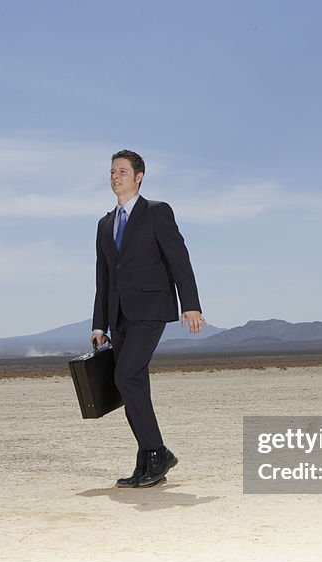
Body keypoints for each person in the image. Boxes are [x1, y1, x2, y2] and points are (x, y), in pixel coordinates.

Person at [91, 150, 206, 488]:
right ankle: (146, 460)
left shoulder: (157, 212)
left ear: (139, 176)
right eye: (112, 171)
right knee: (133, 383)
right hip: (118, 317)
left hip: (151, 310)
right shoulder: (104, 224)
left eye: (122, 171)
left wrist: (191, 304)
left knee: (126, 376)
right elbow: (103, 278)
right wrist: (99, 324)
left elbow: (178, 258)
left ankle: (158, 452)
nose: (115, 177)